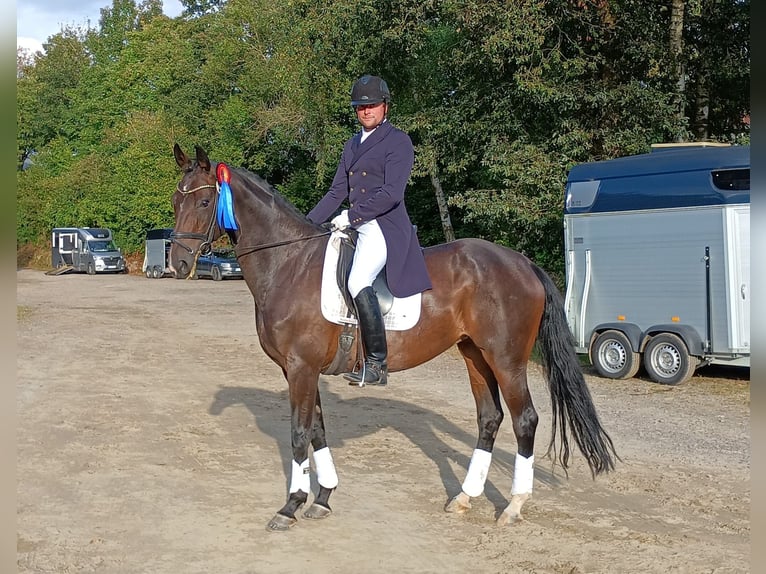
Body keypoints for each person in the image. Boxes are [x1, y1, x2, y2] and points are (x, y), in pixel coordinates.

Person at [307, 74, 432, 387]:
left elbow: (392, 193)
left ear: (385, 106)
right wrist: (308, 224)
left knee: (358, 279)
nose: (366, 110)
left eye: (372, 105)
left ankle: (376, 363)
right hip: (357, 222)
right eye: (360, 106)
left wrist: (352, 216)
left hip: (384, 225)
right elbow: (337, 191)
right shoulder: (351, 144)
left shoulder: (398, 141)